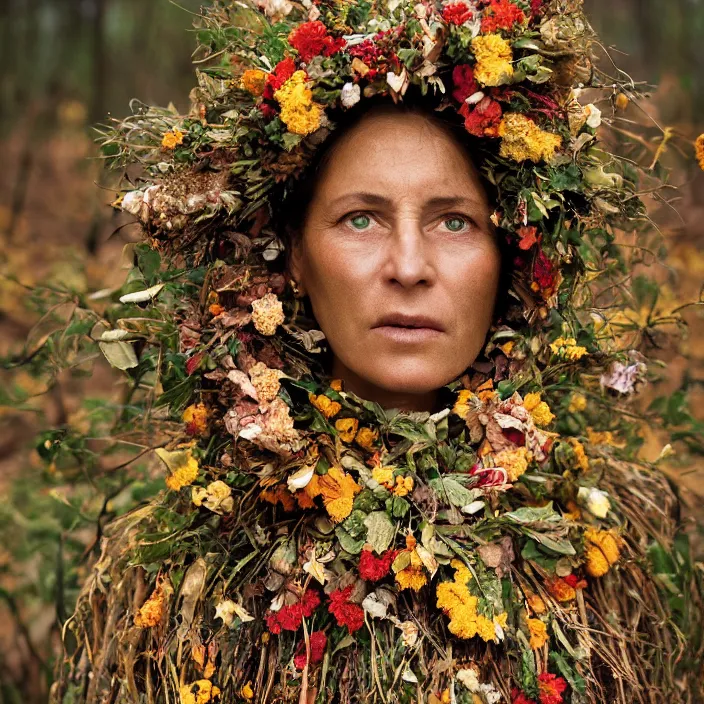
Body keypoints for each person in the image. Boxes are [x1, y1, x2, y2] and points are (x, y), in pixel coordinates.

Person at [52, 1, 703, 703]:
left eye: (453, 221)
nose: (409, 267)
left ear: (510, 255)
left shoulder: (614, 551)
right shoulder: (167, 576)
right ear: (293, 254)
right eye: (360, 218)